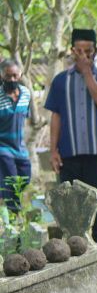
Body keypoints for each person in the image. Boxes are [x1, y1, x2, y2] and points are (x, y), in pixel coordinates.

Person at [44, 28, 97, 242]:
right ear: (72, 51)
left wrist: (87, 73)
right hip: (69, 153)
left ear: (95, 51)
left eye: (88, 51)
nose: (84, 55)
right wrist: (53, 151)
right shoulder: (60, 81)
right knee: (72, 205)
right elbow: (56, 116)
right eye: (79, 51)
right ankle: (73, 245)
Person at [0, 59, 33, 212]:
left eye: (15, 76)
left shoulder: (26, 94)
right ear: (2, 76)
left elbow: (26, 117)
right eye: (8, 76)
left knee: (25, 177)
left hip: (20, 147)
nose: (12, 79)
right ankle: (14, 213)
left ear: (20, 75)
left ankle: (7, 198)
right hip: (3, 147)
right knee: (11, 179)